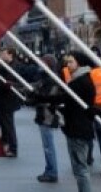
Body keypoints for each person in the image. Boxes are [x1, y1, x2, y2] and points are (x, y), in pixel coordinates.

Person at [36, 52, 96, 192]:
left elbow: (64, 98)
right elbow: (69, 102)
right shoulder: (81, 79)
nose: (67, 65)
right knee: (80, 169)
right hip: (78, 127)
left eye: (71, 62)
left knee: (80, 170)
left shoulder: (80, 82)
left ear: (79, 63)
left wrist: (41, 98)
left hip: (77, 129)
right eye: (67, 62)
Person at [0, 49, 23, 157]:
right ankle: (4, 144)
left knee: (8, 124)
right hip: (1, 97)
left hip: (8, 99)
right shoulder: (3, 65)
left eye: (3, 53)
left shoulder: (14, 66)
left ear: (10, 55)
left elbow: (7, 82)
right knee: (3, 123)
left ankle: (13, 147)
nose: (1, 55)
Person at [33, 54, 61, 183]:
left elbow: (49, 97)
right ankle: (49, 169)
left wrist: (37, 95)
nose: (40, 64)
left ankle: (52, 171)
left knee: (48, 145)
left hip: (47, 114)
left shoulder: (51, 79)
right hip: (42, 113)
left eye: (43, 62)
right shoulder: (44, 78)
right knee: (47, 145)